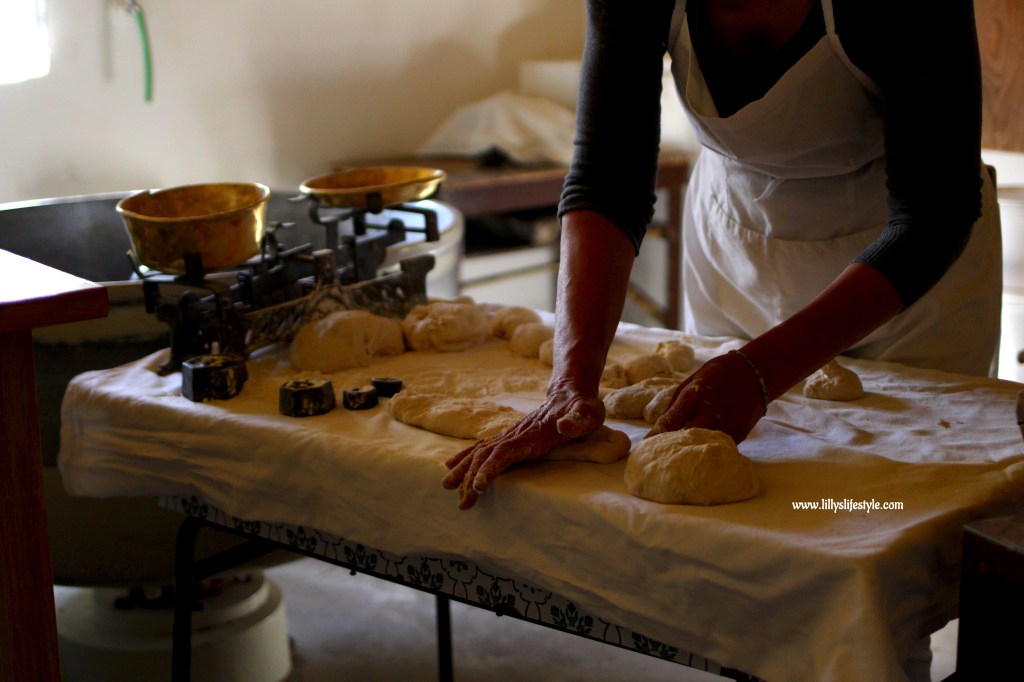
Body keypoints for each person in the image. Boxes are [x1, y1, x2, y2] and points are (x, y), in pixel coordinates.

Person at [443, 0, 1001, 511]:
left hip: (902, 274)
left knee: (885, 506)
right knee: (723, 513)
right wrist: (570, 388)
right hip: (737, 242)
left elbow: (935, 213)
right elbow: (608, 178)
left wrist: (761, 368)